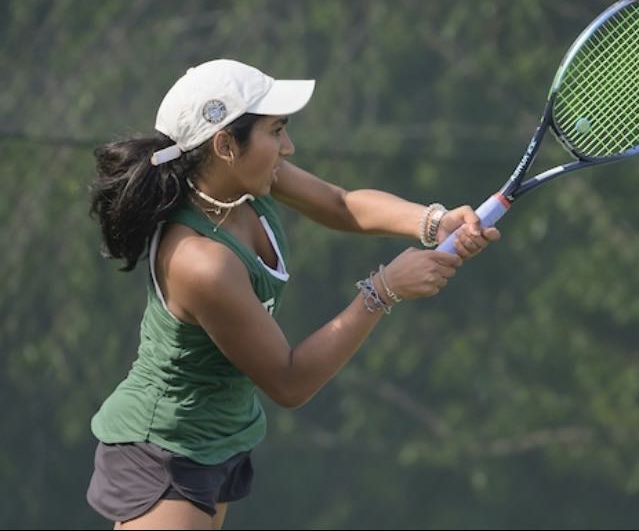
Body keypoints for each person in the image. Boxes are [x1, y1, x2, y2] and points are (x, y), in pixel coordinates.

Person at [85, 59, 500, 529]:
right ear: (225, 145)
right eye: (277, 131)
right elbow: (289, 381)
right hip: (165, 451)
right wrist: (383, 290)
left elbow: (341, 204)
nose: (289, 146)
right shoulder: (201, 262)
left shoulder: (246, 181)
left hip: (220, 437)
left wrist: (433, 222)